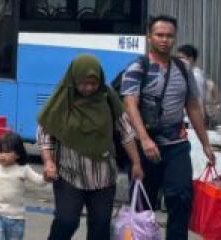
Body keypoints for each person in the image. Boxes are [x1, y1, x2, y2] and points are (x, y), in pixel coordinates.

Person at [120, 16, 216, 240]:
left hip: (177, 145)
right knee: (143, 204)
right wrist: (144, 139)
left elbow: (192, 105)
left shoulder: (183, 68)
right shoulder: (137, 67)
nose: (164, 40)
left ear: (175, 39)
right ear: (150, 37)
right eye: (159, 35)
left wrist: (205, 144)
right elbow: (130, 104)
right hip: (144, 147)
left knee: (181, 197)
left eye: (169, 36)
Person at [37, 54, 144, 240]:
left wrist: (136, 162)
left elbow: (126, 132)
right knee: (66, 221)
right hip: (69, 174)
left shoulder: (107, 98)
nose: (88, 88)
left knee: (100, 226)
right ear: (74, 79)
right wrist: (48, 162)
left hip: (103, 176)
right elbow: (46, 132)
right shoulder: (62, 100)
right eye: (83, 83)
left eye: (93, 83)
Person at [0, 132, 45, 240]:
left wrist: (47, 176)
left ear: (18, 154)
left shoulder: (23, 169)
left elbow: (39, 181)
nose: (2, 155)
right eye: (0, 152)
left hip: (16, 218)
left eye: (7, 152)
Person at [176, 44, 221, 129]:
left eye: (181, 58)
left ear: (190, 59)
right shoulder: (191, 74)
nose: (178, 61)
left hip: (192, 123)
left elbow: (198, 100)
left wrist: (198, 123)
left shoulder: (195, 76)